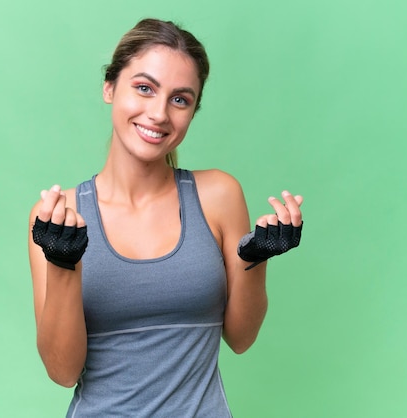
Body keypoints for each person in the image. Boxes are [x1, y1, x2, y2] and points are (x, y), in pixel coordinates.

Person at [28, 18, 304, 417]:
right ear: (110, 87)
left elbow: (241, 338)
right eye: (144, 88)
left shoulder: (218, 195)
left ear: (193, 110)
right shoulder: (59, 216)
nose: (159, 113)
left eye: (180, 99)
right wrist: (63, 265)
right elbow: (62, 370)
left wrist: (256, 258)